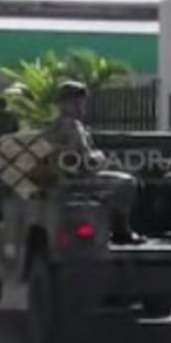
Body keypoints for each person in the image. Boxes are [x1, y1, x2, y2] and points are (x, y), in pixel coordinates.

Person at [40, 81, 142, 244]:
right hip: (74, 180)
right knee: (126, 183)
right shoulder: (71, 126)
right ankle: (120, 231)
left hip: (64, 179)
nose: (80, 108)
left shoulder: (54, 127)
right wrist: (98, 158)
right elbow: (81, 158)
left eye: (81, 103)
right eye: (75, 103)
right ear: (62, 105)